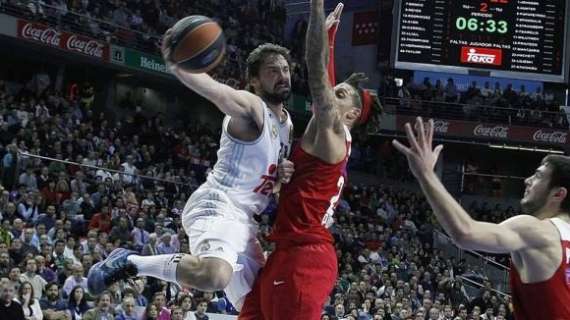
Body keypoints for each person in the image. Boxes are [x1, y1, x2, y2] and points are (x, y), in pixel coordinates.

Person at [88, 28, 295, 311]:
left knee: (259, 306)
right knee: (214, 275)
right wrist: (177, 63)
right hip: (219, 204)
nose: (282, 75)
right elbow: (216, 92)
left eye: (285, 69)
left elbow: (266, 186)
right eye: (273, 71)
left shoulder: (286, 124)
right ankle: (130, 262)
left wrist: (280, 179)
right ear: (255, 81)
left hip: (245, 222)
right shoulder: (251, 106)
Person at [239, 1, 381, 319]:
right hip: (288, 252)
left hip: (304, 258)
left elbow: (316, 69)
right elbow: (325, 81)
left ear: (353, 114)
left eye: (340, 94)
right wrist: (329, 37)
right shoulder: (328, 130)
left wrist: (316, 8)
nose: (332, 94)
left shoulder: (332, 131)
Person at [392, 117, 570, 319]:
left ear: (558, 194)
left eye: (538, 176)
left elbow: (465, 233)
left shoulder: (536, 230)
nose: (527, 180)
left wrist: (426, 174)